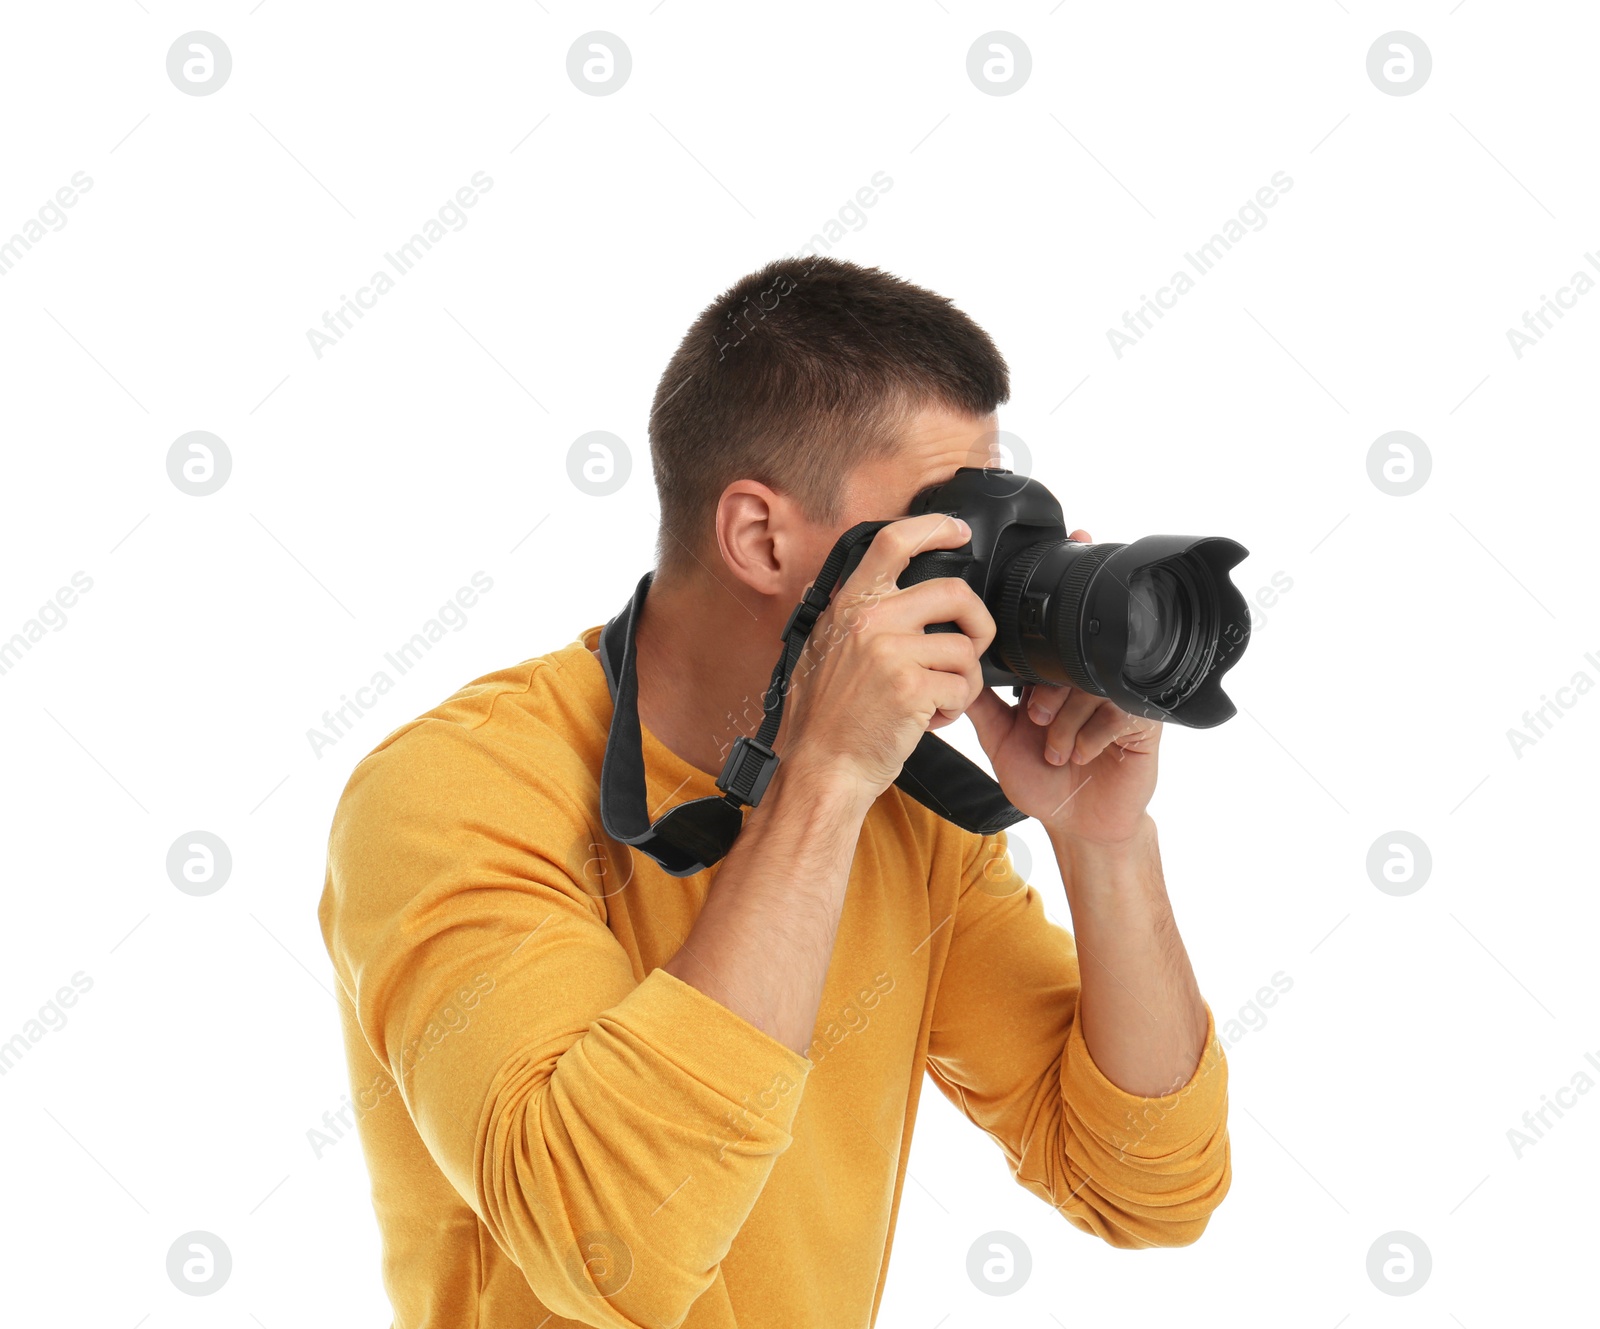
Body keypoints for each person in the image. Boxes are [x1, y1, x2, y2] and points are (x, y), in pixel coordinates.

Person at [318, 256, 1231, 1328]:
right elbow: (607, 1250)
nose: (982, 572)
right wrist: (825, 781)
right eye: (942, 518)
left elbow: (1144, 1189)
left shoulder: (911, 819)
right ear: (760, 537)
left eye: (999, 510)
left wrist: (1101, 841)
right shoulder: (454, 793)